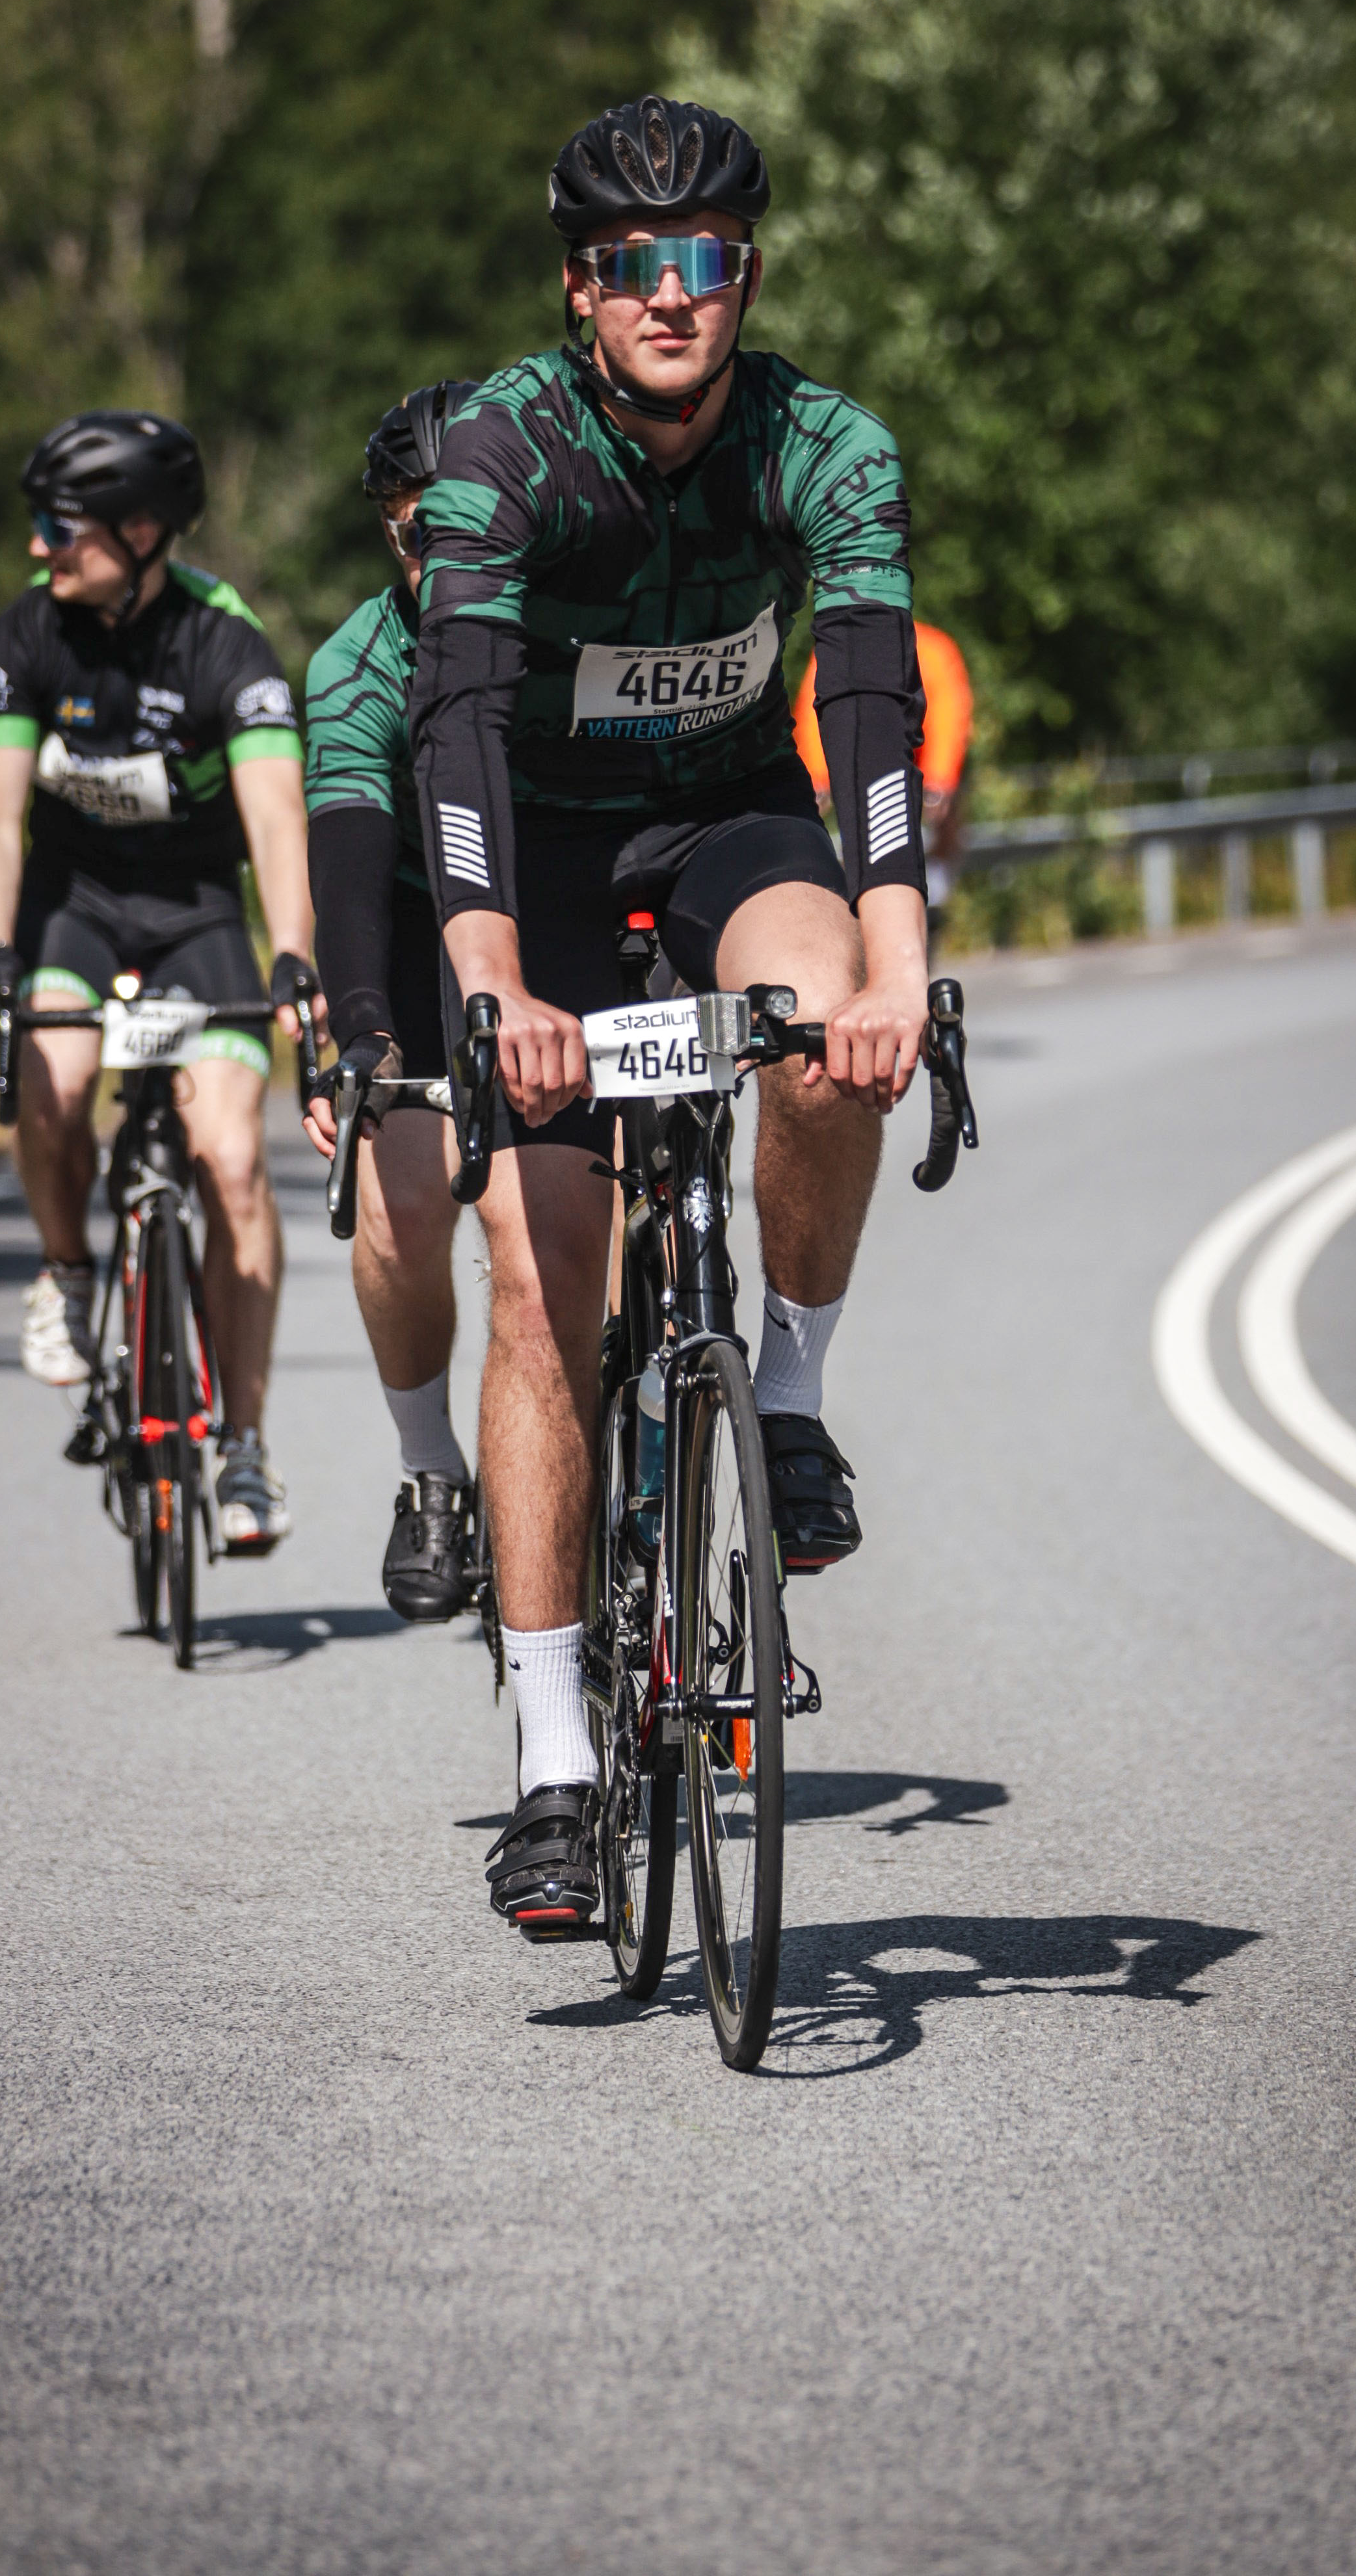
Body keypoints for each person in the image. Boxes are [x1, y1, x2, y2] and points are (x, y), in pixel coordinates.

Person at [408, 96, 930, 1925]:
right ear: (581, 289)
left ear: (745, 275)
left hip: (724, 822)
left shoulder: (823, 442)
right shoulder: (501, 446)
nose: (670, 296)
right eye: (633, 267)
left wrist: (901, 962)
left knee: (833, 1019)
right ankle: (556, 1759)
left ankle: (784, 1397)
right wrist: (485, 983)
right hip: (536, 865)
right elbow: (454, 718)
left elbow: (867, 699)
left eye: (702, 261)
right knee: (545, 1286)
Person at [0, 410, 320, 1550]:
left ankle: (246, 1448)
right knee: (53, 1083)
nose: (39, 550)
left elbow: (274, 821)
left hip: (194, 916)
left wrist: (295, 954)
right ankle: (68, 1273)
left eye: (59, 529)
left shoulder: (227, 645)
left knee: (232, 1164)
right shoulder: (25, 637)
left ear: (145, 528)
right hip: (72, 911)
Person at [301, 381, 481, 1621]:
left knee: (644, 1171)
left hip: (575, 908)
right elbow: (351, 869)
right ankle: (431, 1472)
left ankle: (661, 1426)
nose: (443, 559)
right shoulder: (360, 664)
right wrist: (354, 1030)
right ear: (391, 537)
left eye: (469, 529)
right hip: (417, 926)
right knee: (402, 1198)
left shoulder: (584, 623)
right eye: (419, 534)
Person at [793, 623, 972, 926]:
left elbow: (949, 716)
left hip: (926, 750)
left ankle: (938, 891)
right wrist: (817, 777)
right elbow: (815, 710)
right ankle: (857, 898)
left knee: (946, 814)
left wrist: (940, 780)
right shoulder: (836, 648)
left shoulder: (933, 648)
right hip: (868, 748)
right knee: (859, 815)